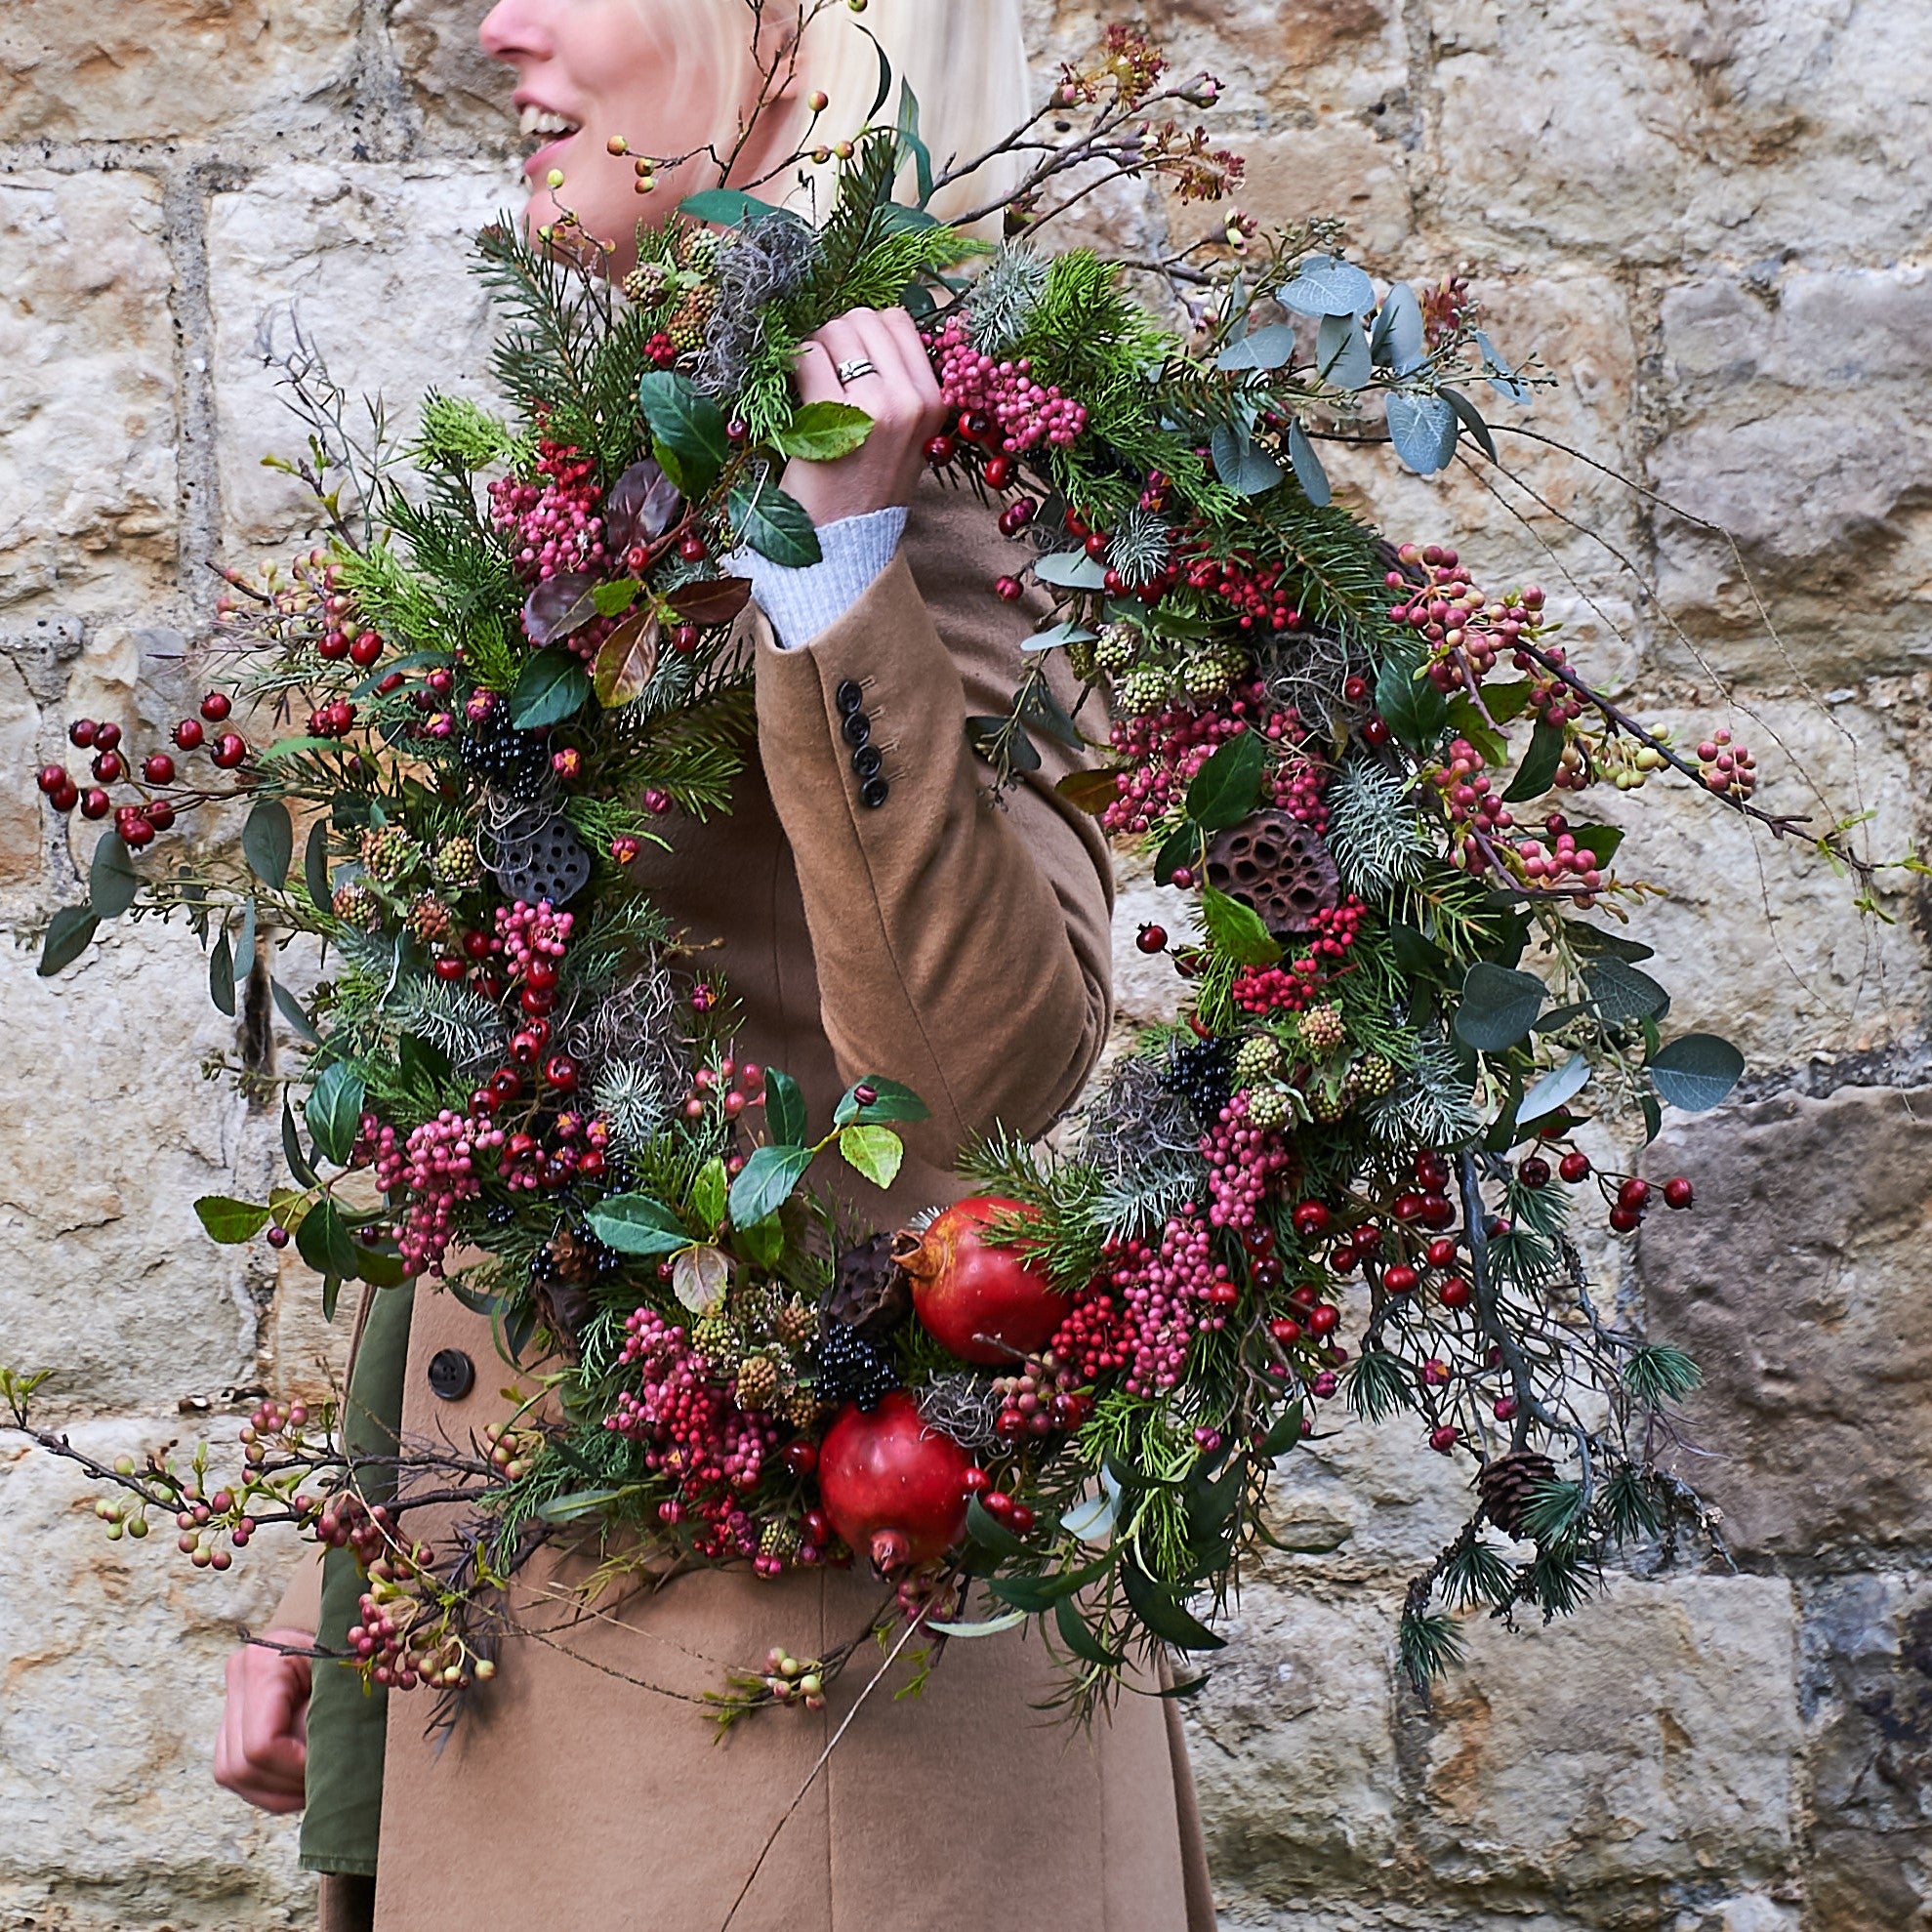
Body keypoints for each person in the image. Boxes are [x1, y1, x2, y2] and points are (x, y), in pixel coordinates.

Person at [214, 4, 1216, 1927]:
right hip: (547, 1643)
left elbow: (986, 1061)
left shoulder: (912, 450)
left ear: (779, 34)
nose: (497, 28)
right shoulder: (639, 444)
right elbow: (503, 1084)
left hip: (786, 1750)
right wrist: (333, 1578)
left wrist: (835, 578)